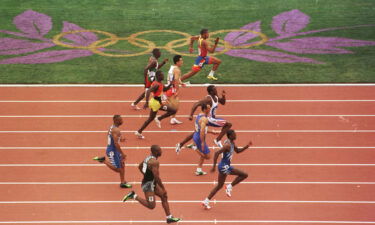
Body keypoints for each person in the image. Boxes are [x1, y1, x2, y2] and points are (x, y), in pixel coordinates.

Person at [122, 145, 181, 224]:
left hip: (152, 182)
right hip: (148, 185)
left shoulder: (148, 157)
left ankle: (169, 217)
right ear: (156, 152)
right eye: (160, 150)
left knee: (164, 196)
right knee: (151, 206)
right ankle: (133, 196)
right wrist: (163, 188)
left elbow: (140, 166)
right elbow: (157, 177)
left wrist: (146, 174)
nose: (161, 152)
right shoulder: (154, 162)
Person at [202, 129, 252, 209]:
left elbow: (238, 151)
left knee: (219, 185)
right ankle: (229, 186)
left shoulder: (232, 143)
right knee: (244, 175)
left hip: (224, 166)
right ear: (230, 136)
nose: (236, 135)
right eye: (234, 134)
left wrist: (247, 146)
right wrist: (214, 166)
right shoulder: (227, 145)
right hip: (224, 167)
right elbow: (216, 153)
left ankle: (206, 201)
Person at [175, 85, 232, 153]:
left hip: (208, 118)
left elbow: (223, 102)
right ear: (211, 92)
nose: (216, 90)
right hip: (208, 119)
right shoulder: (208, 99)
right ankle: (217, 140)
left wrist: (223, 96)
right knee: (228, 124)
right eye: (215, 89)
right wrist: (191, 115)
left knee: (196, 132)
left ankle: (180, 144)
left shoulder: (215, 97)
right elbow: (196, 104)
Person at [135, 70, 177, 139]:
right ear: (158, 76)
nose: (163, 75)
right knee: (173, 110)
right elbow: (148, 91)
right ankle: (159, 118)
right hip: (156, 103)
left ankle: (139, 132)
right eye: (162, 75)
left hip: (156, 102)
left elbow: (165, 89)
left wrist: (171, 84)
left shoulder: (159, 83)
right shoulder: (157, 85)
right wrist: (146, 102)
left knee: (150, 119)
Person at [93, 115, 132, 188]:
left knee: (122, 164)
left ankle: (123, 182)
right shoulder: (116, 130)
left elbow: (113, 138)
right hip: (112, 151)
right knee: (118, 169)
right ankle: (104, 161)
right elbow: (116, 143)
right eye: (121, 119)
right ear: (116, 121)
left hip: (115, 150)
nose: (122, 121)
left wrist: (120, 139)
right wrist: (122, 153)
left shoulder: (113, 127)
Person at [191, 103, 218, 176]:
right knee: (208, 156)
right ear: (205, 109)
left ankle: (198, 170)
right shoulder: (204, 119)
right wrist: (202, 142)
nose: (210, 109)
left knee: (203, 153)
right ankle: (194, 148)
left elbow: (201, 128)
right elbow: (202, 131)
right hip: (199, 138)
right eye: (209, 108)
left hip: (197, 135)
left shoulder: (199, 115)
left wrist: (212, 132)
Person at [165, 55, 184, 125]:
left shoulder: (172, 67)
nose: (182, 62)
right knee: (175, 105)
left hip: (169, 88)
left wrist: (181, 83)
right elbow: (176, 80)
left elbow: (174, 78)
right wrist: (177, 91)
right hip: (172, 89)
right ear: (177, 62)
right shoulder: (177, 70)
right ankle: (170, 119)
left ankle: (173, 118)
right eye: (181, 60)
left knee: (174, 104)